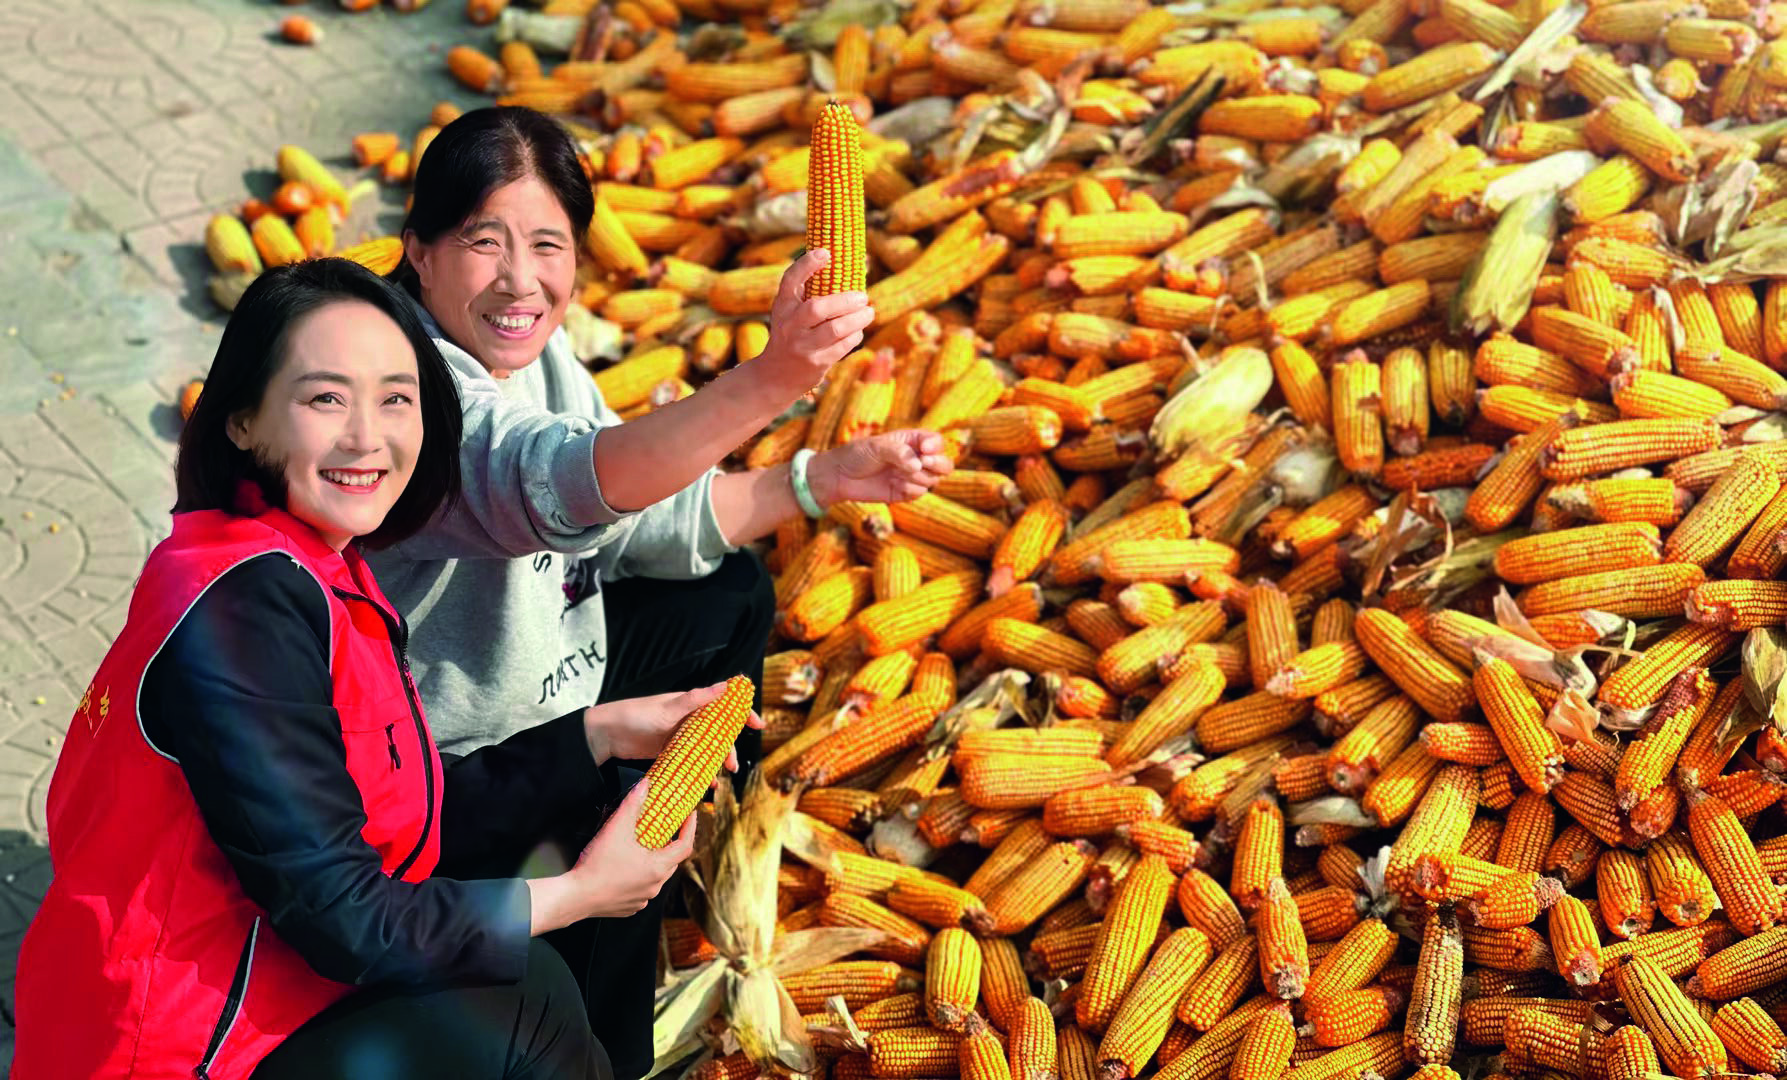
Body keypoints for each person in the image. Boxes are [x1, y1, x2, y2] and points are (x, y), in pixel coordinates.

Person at [12, 259, 750, 1080]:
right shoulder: (241, 612)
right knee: (524, 1010)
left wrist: (596, 734)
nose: (367, 437)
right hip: (174, 1047)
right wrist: (578, 893)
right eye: (326, 399)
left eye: (396, 399)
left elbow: (398, 812)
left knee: (534, 964)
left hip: (269, 976)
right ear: (242, 420)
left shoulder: (313, 566)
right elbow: (344, 916)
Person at [365, 106, 953, 1074]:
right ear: (419, 251)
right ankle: (592, 998)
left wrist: (817, 480)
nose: (520, 280)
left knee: (726, 592)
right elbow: (559, 482)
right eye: (483, 242)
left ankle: (667, 852)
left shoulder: (532, 355)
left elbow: (632, 517)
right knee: (613, 828)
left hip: (552, 684)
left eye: (547, 245)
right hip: (454, 770)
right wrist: (774, 377)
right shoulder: (403, 395)